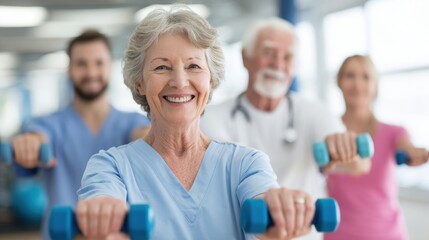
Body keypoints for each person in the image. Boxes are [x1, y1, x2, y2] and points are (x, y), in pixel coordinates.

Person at [76, 7, 318, 240]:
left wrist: (279, 211)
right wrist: (101, 215)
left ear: (211, 80)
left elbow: (263, 203)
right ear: (140, 82)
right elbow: (101, 202)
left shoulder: (246, 164)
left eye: (193, 66)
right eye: (162, 67)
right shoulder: (110, 167)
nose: (180, 82)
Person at [200, 17, 365, 240]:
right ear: (245, 57)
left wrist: (344, 149)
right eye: (268, 53)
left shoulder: (314, 111)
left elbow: (361, 165)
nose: (277, 64)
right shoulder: (212, 116)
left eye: (287, 58)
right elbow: (224, 178)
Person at [11, 30, 150, 239]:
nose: (91, 72)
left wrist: (156, 139)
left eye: (98, 63)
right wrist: (30, 143)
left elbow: (147, 136)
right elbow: (39, 137)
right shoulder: (49, 124)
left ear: (109, 66)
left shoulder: (132, 123)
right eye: (81, 64)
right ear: (69, 69)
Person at [324, 55, 429, 240]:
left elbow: (407, 146)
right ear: (339, 82)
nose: (357, 84)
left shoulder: (394, 132)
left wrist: (415, 153)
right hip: (340, 234)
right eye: (350, 76)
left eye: (365, 77)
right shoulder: (328, 133)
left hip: (388, 233)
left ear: (375, 86)